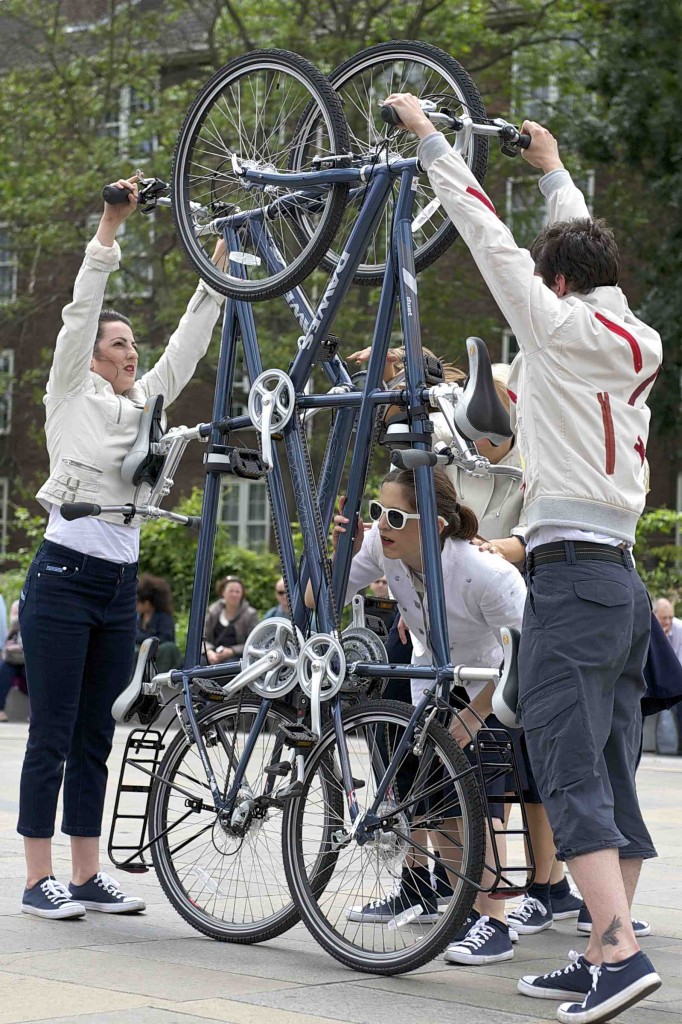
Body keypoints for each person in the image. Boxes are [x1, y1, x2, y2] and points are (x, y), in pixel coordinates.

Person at [385, 93, 662, 1023]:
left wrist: (430, 146)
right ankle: (598, 945)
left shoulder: (553, 326)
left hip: (574, 577)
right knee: (612, 764)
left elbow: (492, 245)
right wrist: (551, 171)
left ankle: (618, 954)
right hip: (620, 580)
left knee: (564, 759)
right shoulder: (632, 337)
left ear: (556, 284)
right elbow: (568, 252)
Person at [17, 175, 226, 921]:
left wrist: (219, 269)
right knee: (52, 731)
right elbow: (78, 314)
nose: (130, 351)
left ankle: (85, 874)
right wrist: (109, 229)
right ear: (94, 355)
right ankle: (38, 878)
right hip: (64, 576)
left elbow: (189, 345)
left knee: (97, 732)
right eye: (118, 343)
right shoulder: (71, 392)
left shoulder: (148, 403)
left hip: (118, 580)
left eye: (133, 342)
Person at [329, 468, 527, 966]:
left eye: (394, 515)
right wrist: (342, 551)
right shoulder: (380, 546)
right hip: (433, 680)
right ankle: (466, 907)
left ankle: (496, 921)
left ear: (436, 523)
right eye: (377, 512)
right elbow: (319, 600)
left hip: (495, 683)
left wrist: (476, 717)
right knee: (440, 802)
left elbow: (527, 647)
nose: (381, 524)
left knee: (482, 800)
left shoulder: (485, 570)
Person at [204, 576, 259, 663]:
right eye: (231, 591)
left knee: (229, 666)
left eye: (237, 592)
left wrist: (232, 651)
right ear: (223, 592)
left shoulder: (251, 614)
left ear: (242, 594)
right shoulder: (213, 611)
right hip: (213, 655)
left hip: (237, 657)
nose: (234, 594)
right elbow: (202, 638)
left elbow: (255, 643)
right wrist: (209, 652)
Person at [136, 573, 180, 673]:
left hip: (159, 655)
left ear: (147, 602)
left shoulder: (164, 617)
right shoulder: (139, 617)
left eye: (138, 602)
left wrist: (142, 638)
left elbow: (165, 638)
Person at [0, 600, 25, 722]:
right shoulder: (14, 626)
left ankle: (39, 713)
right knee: (3, 669)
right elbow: (6, 642)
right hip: (13, 661)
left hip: (27, 662)